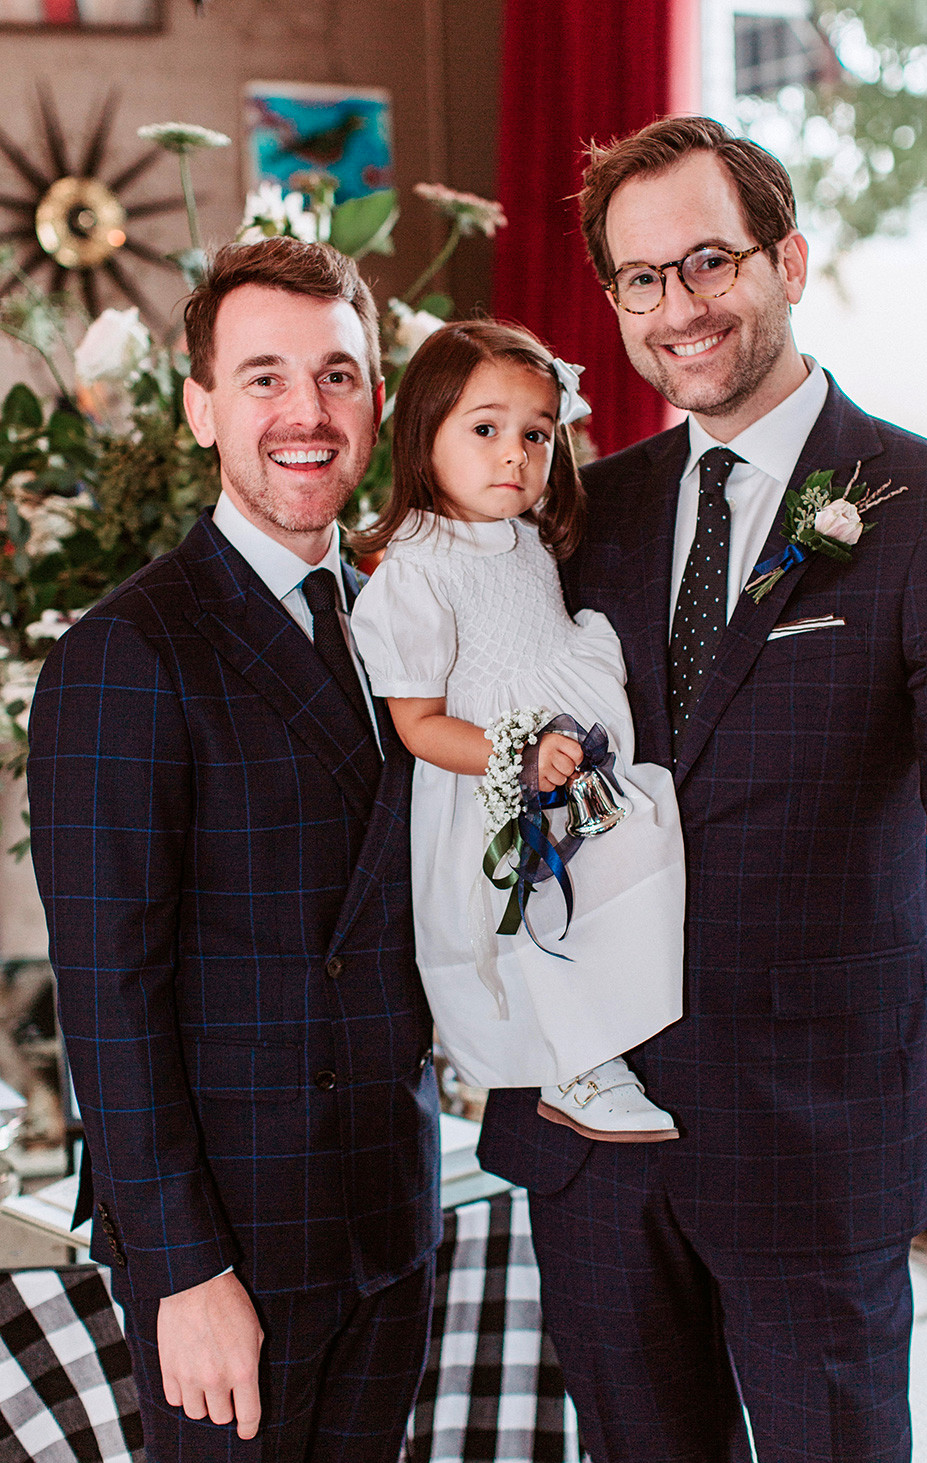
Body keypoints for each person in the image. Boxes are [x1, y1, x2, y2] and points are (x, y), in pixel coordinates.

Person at [477, 115, 927, 1463]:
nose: (678, 307)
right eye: (641, 278)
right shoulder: (581, 517)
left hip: (816, 1138)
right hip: (593, 1134)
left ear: (786, 261)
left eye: (708, 261)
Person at [27, 235, 441, 1463]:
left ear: (375, 400)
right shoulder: (126, 651)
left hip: (389, 1221)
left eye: (336, 375)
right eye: (264, 377)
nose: (306, 412)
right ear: (202, 407)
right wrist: (182, 1265)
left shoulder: (403, 621)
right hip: (231, 1251)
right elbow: (107, 993)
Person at [349, 320, 685, 1141]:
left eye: (535, 434)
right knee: (536, 920)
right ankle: (573, 1063)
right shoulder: (417, 572)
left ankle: (607, 1037)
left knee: (628, 867)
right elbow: (419, 725)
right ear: (423, 437)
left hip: (571, 762)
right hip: (494, 791)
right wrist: (517, 756)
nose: (515, 455)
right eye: (485, 429)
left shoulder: (528, 537)